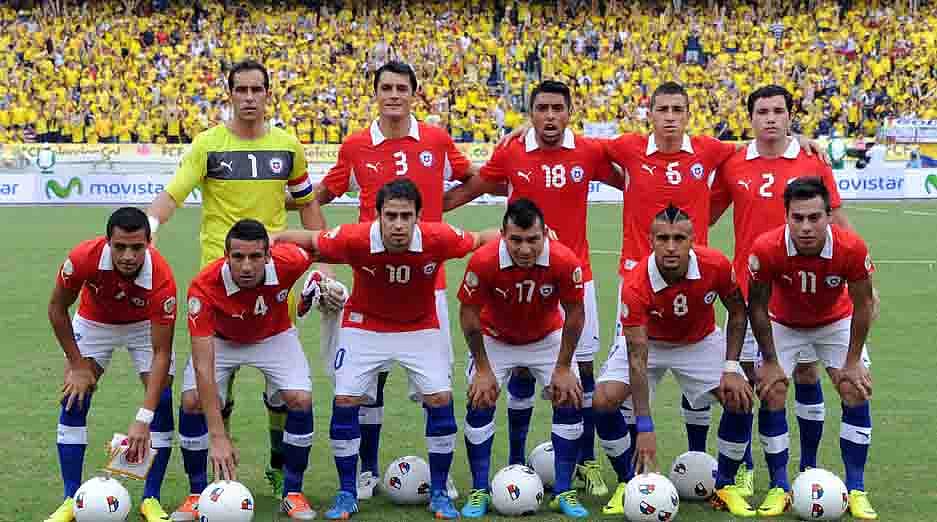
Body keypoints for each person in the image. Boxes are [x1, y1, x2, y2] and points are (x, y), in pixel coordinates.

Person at [147, 59, 326, 498]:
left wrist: (321, 264)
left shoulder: (288, 147)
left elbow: (307, 206)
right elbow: (173, 194)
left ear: (268, 94)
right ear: (230, 94)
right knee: (212, 392)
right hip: (221, 282)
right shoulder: (208, 145)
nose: (249, 98)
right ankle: (214, 475)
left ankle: (279, 467)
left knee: (281, 394)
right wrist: (145, 232)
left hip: (274, 280)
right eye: (240, 90)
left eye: (256, 90)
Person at [273, 179, 498, 520]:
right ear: (377, 216)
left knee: (440, 399)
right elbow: (309, 241)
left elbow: (481, 239)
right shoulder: (356, 237)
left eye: (405, 216)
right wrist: (271, 239)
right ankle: (347, 493)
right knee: (346, 400)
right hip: (365, 326)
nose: (397, 224)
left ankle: (439, 492)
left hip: (420, 327)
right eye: (390, 216)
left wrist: (540, 237)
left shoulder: (438, 237)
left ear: (418, 216)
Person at [307, 61, 475, 499]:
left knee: (434, 385)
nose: (394, 94)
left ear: (414, 94)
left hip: (426, 280)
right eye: (386, 87)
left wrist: (436, 215)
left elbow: (473, 180)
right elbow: (320, 197)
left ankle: (441, 476)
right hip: (371, 280)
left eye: (402, 87)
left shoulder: (436, 139)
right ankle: (366, 469)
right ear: (376, 93)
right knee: (367, 383)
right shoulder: (356, 144)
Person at [444, 80, 618, 497]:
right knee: (519, 366)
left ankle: (586, 461)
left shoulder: (590, 151)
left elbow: (636, 179)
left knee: (582, 374)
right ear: (531, 113)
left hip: (575, 276)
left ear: (570, 111)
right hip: (518, 274)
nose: (551, 116)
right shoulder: (511, 150)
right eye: (542, 108)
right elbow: (475, 186)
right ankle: (516, 458)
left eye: (558, 108)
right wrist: (425, 210)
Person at [710, 84, 858, 497]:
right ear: (751, 118)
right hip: (749, 295)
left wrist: (861, 276)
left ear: (790, 116)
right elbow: (703, 214)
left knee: (806, 373)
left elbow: (839, 221)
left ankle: (807, 466)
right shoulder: (734, 163)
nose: (770, 118)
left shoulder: (811, 159)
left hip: (805, 295)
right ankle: (747, 468)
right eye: (762, 111)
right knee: (748, 383)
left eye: (778, 110)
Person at [593, 205, 754, 516]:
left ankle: (725, 485)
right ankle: (628, 482)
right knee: (602, 400)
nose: (670, 246)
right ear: (650, 240)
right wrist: (645, 425)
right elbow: (638, 358)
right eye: (662, 238)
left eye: (679, 238)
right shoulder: (636, 283)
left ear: (692, 240)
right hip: (649, 344)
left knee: (741, 398)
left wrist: (731, 368)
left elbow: (738, 310)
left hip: (699, 341)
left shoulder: (715, 264)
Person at [737, 177, 877, 519]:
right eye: (797, 217)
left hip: (835, 322)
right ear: (786, 216)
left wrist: (854, 359)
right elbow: (756, 307)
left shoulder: (852, 248)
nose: (805, 226)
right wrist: (769, 360)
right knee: (771, 392)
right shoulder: (766, 248)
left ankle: (856, 488)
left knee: (854, 389)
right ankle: (780, 487)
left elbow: (863, 305)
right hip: (783, 324)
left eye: (814, 217)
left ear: (828, 216)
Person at [171, 219, 321, 521]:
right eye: (238, 257)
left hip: (274, 335)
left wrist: (324, 278)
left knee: (300, 399)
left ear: (269, 256)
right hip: (222, 341)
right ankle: (196, 493)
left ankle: (292, 492)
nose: (247, 266)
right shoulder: (204, 287)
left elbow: (321, 244)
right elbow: (203, 365)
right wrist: (218, 437)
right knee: (191, 401)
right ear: (226, 257)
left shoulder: (289, 261)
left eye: (255, 256)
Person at [457, 199, 589, 518]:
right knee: (480, 398)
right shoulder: (484, 261)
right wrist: (484, 369)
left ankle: (563, 491)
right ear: (503, 235)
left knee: (569, 397)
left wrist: (562, 367)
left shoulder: (563, 259)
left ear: (545, 234)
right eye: (516, 240)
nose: (525, 249)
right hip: (495, 337)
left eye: (533, 239)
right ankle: (478, 491)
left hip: (546, 337)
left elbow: (575, 314)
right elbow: (469, 316)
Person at [45, 207, 177, 522]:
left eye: (137, 247)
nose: (128, 255)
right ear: (108, 242)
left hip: (144, 326)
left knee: (162, 399)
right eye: (120, 247)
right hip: (95, 321)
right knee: (74, 395)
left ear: (148, 243)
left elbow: (161, 352)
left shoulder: (162, 279)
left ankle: (151, 500)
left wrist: (143, 418)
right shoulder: (82, 258)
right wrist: (77, 365)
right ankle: (70, 500)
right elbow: (56, 309)